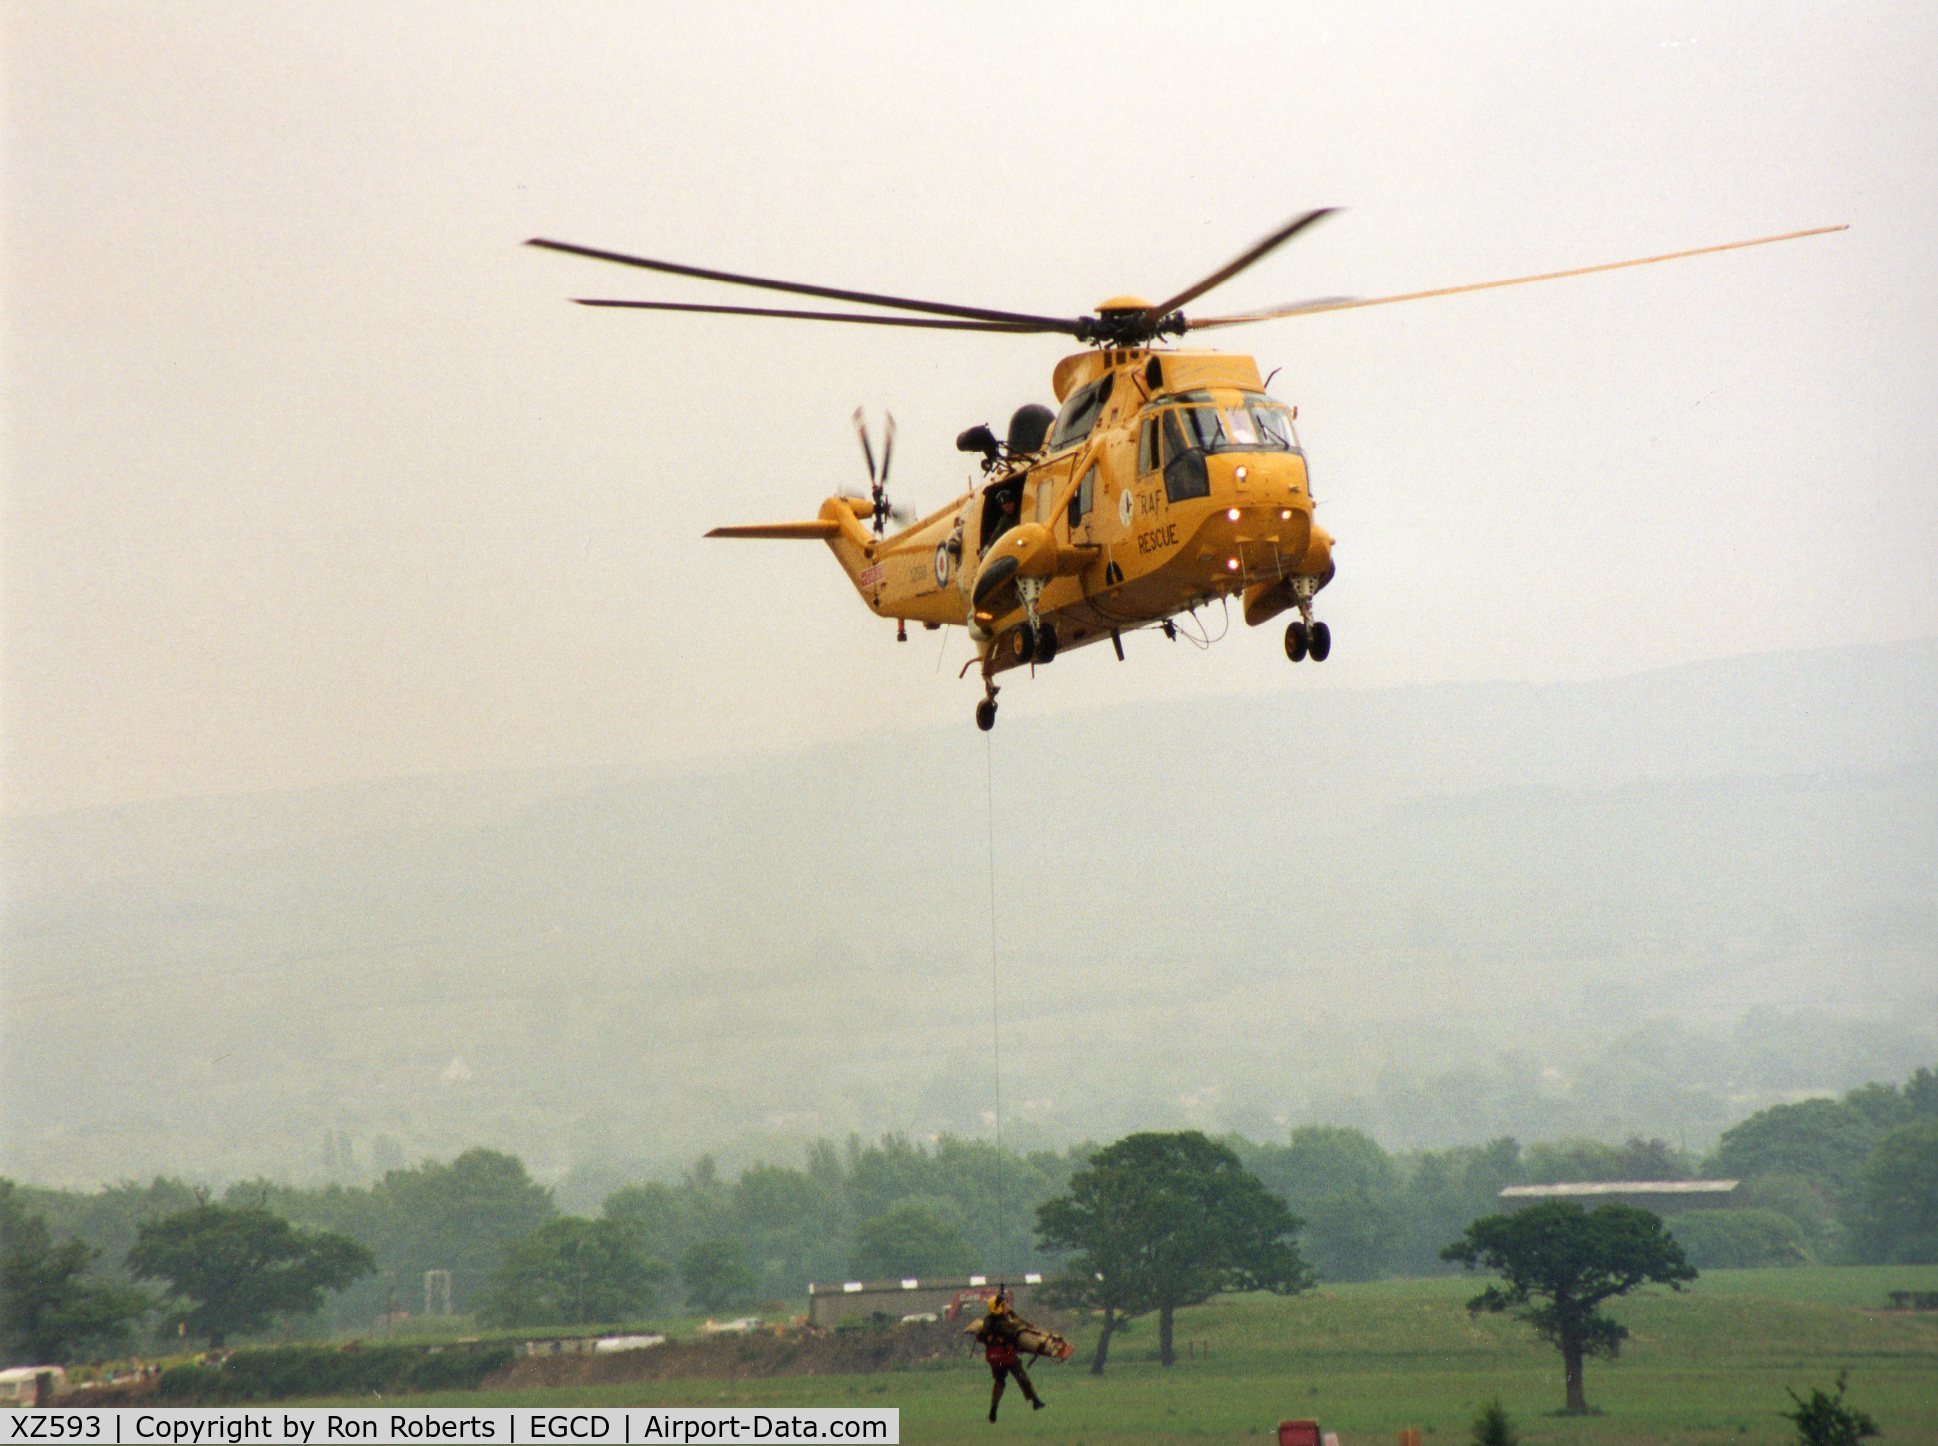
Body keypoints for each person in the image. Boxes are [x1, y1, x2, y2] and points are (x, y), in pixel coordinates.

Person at [976, 1290, 1045, 1422]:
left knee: (999, 1383)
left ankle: (993, 1410)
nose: (1007, 1307)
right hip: (1007, 1357)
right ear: (999, 1308)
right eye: (1004, 1305)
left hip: (994, 1359)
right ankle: (1035, 1401)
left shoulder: (987, 1322)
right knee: (1023, 1379)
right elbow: (1018, 1329)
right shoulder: (1004, 1324)